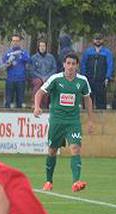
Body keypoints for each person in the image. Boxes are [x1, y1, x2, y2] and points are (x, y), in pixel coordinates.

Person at [34, 53, 94, 192]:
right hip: (57, 121)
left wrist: (91, 120)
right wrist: (37, 107)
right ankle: (49, 181)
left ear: (77, 65)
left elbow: (87, 99)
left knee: (75, 148)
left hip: (73, 121)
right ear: (64, 64)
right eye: (68, 63)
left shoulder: (82, 81)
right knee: (52, 151)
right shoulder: (55, 79)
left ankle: (76, 182)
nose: (71, 66)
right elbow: (40, 93)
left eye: (73, 64)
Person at [81, 33, 114, 110]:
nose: (98, 41)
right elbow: (83, 64)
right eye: (96, 39)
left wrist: (107, 77)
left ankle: (101, 120)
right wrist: (84, 76)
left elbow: (110, 65)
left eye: (100, 39)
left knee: (101, 102)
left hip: (101, 80)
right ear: (93, 40)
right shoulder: (87, 52)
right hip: (89, 80)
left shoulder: (107, 52)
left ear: (103, 40)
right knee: (87, 100)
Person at [2, 34, 30, 109]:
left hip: (21, 79)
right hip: (10, 79)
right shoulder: (7, 53)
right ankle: (7, 118)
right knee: (8, 101)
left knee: (20, 101)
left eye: (17, 41)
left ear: (20, 42)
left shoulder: (24, 52)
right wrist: (9, 62)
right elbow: (3, 66)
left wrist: (20, 54)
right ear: (11, 42)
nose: (15, 42)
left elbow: (27, 61)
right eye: (13, 41)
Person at [29, 40, 56, 109]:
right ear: (38, 47)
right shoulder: (34, 58)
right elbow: (32, 70)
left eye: (43, 46)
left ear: (46, 47)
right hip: (36, 78)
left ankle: (45, 105)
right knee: (38, 83)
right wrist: (41, 77)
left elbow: (54, 69)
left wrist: (47, 77)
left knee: (46, 84)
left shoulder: (51, 57)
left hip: (48, 78)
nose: (42, 47)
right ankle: (35, 103)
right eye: (40, 46)